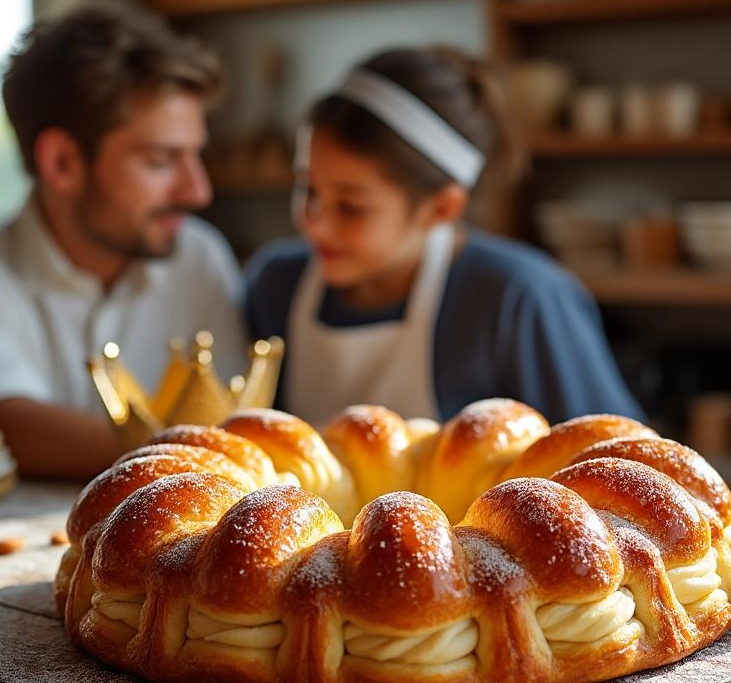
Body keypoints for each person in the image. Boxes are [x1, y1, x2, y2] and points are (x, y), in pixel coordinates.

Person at [0, 6, 246, 480]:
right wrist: (203, 453)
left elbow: (233, 417)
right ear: (62, 162)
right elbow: (0, 426)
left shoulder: (199, 258)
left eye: (194, 155)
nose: (198, 190)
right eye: (161, 160)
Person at [245, 47, 643, 426]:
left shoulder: (518, 300)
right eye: (307, 190)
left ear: (443, 208)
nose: (314, 223)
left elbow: (618, 463)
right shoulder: (275, 285)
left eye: (351, 207)